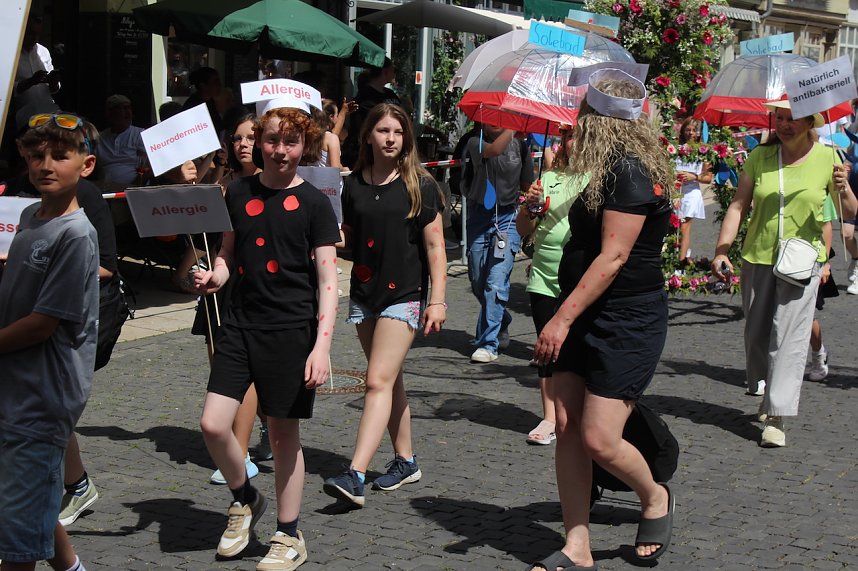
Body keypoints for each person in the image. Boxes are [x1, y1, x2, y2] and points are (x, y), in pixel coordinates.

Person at [529, 69, 676, 569]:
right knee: (567, 427)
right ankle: (578, 544)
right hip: (582, 309)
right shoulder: (603, 169)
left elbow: (613, 259)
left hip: (625, 318)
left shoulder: (629, 172)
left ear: (598, 121)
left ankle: (654, 495)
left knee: (598, 437)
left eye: (582, 115)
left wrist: (560, 321)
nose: (574, 123)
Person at [195, 105, 340, 569]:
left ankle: (289, 533)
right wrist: (216, 276)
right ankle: (244, 497)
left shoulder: (316, 204)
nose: (281, 151)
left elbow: (328, 282)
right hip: (240, 323)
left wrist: (321, 346)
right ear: (258, 141)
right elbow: (228, 252)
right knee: (213, 424)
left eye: (291, 142)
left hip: (292, 331)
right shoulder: (237, 193)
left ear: (306, 147)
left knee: (282, 437)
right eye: (273, 140)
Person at [712, 99, 857, 447]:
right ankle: (766, 391)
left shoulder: (828, 159)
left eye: (793, 119)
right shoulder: (760, 157)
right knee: (757, 334)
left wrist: (844, 187)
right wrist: (721, 249)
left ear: (810, 122)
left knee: (789, 338)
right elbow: (738, 205)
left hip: (802, 261)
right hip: (758, 256)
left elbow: (848, 211)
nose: (785, 124)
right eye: (780, 117)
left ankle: (777, 416)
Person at [323, 103, 447, 508]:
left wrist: (438, 300)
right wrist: (313, 232)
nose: (391, 138)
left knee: (376, 381)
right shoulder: (352, 184)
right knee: (389, 380)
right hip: (364, 294)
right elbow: (348, 242)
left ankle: (355, 474)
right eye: (383, 131)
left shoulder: (420, 185)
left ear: (405, 138)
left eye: (397, 131)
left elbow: (435, 246)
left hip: (404, 295)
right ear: (369, 137)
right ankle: (406, 461)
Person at [2, 119, 122, 528]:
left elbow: (42, 324)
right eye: (37, 156)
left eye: (59, 156)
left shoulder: (76, 234)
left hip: (46, 387)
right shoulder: (30, 218)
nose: (45, 165)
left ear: (86, 165)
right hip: (19, 377)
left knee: (25, 506)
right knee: (25, 498)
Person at [187, 112, 269, 483]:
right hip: (220, 284)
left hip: (254, 289)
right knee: (222, 367)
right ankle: (262, 428)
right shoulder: (226, 184)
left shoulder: (272, 185)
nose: (243, 144)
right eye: (237, 138)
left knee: (248, 372)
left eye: (251, 137)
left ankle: (241, 451)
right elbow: (205, 230)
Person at [515, 126, 588, 445]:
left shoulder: (598, 178)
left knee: (578, 348)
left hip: (582, 276)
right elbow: (523, 229)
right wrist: (529, 207)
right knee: (546, 347)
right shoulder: (546, 179)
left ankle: (579, 411)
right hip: (544, 274)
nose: (573, 142)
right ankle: (549, 417)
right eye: (569, 136)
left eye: (580, 135)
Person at [463, 125, 533, 362]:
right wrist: (514, 129)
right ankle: (501, 318)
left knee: (495, 282)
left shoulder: (521, 147)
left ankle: (488, 343)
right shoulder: (475, 141)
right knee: (477, 280)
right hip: (479, 216)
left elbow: (526, 184)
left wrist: (534, 194)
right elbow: (492, 151)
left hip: (508, 217)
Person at [342, 58, 401, 167]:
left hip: (389, 149)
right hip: (368, 152)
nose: (395, 74)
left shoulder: (390, 93)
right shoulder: (365, 96)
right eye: (394, 70)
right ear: (385, 71)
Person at [807, 196, 838, 383]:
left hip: (810, 258)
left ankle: (819, 354)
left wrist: (825, 263)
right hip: (776, 256)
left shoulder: (819, 183)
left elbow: (826, 225)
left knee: (807, 314)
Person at [675, 117, 711, 264]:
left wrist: (694, 176)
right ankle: (679, 255)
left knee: (684, 226)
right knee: (673, 225)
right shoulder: (675, 150)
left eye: (694, 130)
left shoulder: (703, 151)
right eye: (688, 130)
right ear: (683, 131)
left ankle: (681, 260)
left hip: (691, 193)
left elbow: (708, 177)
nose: (691, 133)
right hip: (676, 191)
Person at [94, 94, 145, 190]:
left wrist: (133, 188)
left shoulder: (140, 134)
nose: (125, 113)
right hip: (104, 190)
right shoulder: (99, 137)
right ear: (109, 114)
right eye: (119, 109)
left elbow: (145, 167)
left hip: (133, 190)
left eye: (127, 108)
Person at [183, 67, 224, 134]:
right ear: (203, 86)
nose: (219, 85)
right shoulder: (193, 106)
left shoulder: (211, 102)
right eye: (215, 82)